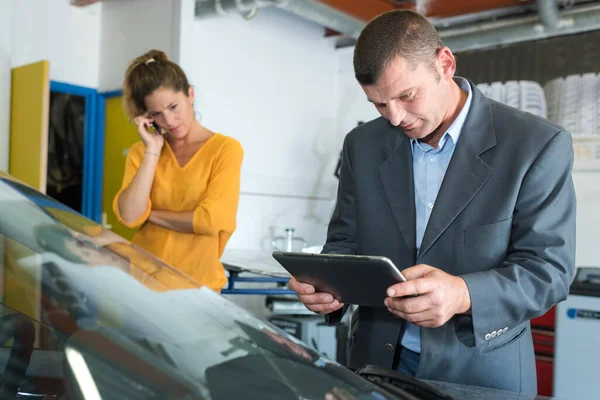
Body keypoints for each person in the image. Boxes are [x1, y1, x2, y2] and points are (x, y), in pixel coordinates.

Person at [289, 9, 576, 395]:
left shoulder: (536, 145)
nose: (394, 118)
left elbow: (549, 271)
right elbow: (344, 244)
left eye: (407, 96)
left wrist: (463, 294)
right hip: (376, 364)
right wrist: (327, 289)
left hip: (479, 371)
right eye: (378, 104)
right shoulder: (363, 146)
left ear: (444, 63)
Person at [113, 50, 243, 293]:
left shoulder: (225, 149)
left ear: (190, 94)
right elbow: (130, 216)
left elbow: (211, 220)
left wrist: (149, 213)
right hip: (141, 286)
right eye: (156, 114)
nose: (169, 120)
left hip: (197, 290)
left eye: (174, 106)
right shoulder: (140, 153)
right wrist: (153, 150)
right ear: (147, 117)